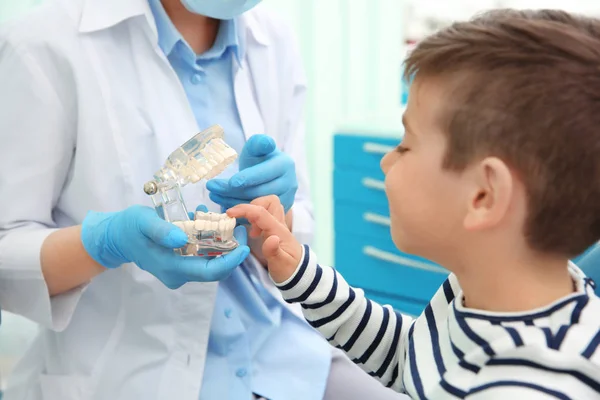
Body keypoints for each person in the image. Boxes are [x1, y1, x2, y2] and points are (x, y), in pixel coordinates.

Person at [0, 0, 405, 399]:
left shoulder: (273, 39)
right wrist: (105, 243)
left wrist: (276, 219)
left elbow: (297, 230)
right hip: (129, 371)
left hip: (281, 351)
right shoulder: (43, 44)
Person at [227, 9, 600, 399]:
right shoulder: (487, 297)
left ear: (483, 196)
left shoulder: (529, 386)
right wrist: (299, 270)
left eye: (406, 145)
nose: (388, 160)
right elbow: (409, 358)